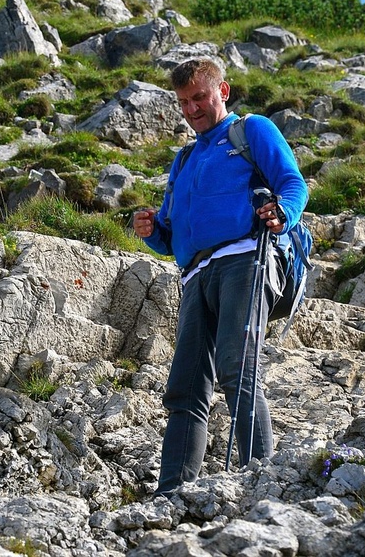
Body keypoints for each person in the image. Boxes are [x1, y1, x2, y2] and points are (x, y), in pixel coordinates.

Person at [133, 57, 308, 495]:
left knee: (236, 364)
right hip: (195, 275)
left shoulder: (251, 130)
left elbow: (293, 183)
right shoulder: (185, 157)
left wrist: (283, 213)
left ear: (222, 92)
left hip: (246, 258)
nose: (191, 109)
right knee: (185, 387)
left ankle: (260, 481)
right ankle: (171, 495)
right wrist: (152, 231)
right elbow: (172, 236)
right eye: (183, 102)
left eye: (200, 97)